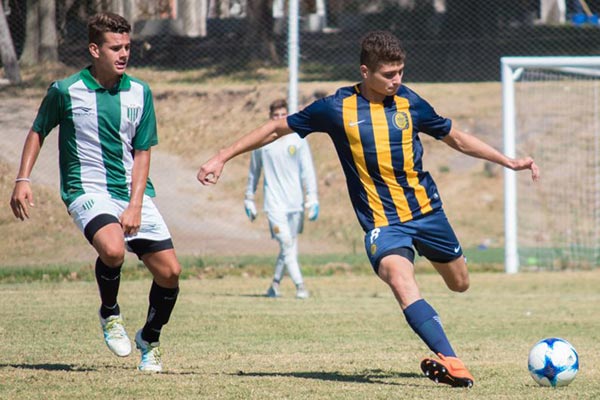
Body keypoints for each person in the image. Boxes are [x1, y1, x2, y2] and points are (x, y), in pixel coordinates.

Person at [196, 30, 539, 388]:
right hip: (383, 222)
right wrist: (221, 157)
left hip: (427, 213)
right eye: (388, 74)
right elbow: (276, 129)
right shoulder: (335, 108)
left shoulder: (411, 103)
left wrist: (508, 161)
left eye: (400, 72)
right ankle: (451, 360)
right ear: (365, 71)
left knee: (460, 283)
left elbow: (455, 137)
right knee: (399, 278)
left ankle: (445, 339)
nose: (397, 80)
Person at [9, 12, 181, 373]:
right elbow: (38, 131)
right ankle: (110, 313)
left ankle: (149, 338)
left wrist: (135, 205)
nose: (123, 54)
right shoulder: (65, 90)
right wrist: (22, 179)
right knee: (113, 248)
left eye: (127, 47)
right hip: (85, 189)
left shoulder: (139, 93)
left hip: (131, 192)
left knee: (170, 273)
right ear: (94, 49)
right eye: (115, 47)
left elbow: (143, 151)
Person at [244, 99, 319, 299]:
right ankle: (300, 286)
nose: (279, 119)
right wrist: (249, 198)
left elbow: (307, 171)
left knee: (289, 247)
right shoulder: (263, 144)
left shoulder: (298, 139)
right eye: (276, 116)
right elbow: (254, 173)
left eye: (283, 115)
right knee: (286, 243)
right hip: (274, 204)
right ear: (270, 118)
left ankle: (274, 286)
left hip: (295, 203)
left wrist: (312, 198)